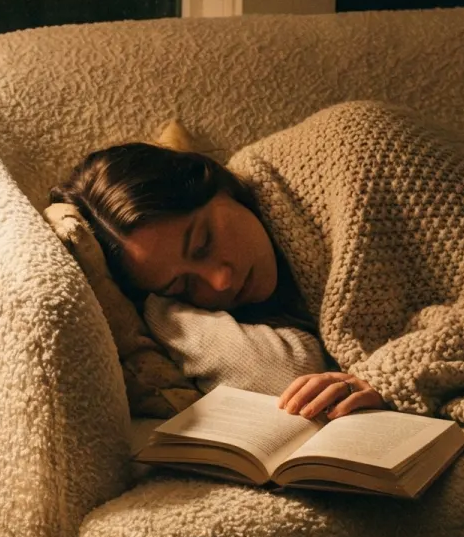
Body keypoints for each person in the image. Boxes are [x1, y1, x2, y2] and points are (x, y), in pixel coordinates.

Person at [53, 141, 387, 420]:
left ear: (216, 183)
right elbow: (282, 375)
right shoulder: (248, 317)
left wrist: (386, 380)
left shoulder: (350, 154)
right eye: (182, 287)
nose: (220, 282)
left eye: (203, 244)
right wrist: (161, 310)